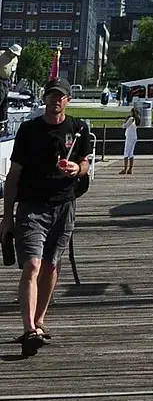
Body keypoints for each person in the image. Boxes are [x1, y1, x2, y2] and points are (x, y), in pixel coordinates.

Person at [1, 79, 93, 356]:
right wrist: (7, 217)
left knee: (51, 266)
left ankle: (39, 320)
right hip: (32, 205)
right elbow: (13, 175)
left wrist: (77, 168)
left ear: (68, 100)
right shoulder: (30, 130)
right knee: (31, 265)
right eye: (51, 96)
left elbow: (86, 162)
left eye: (60, 97)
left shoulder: (78, 129)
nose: (55, 101)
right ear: (45, 99)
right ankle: (29, 329)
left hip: (64, 206)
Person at [120, 104, 139, 176]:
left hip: (129, 137)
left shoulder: (131, 119)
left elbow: (124, 126)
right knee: (131, 153)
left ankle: (125, 169)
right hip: (134, 136)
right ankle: (130, 169)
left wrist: (124, 122)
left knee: (126, 152)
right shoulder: (137, 119)